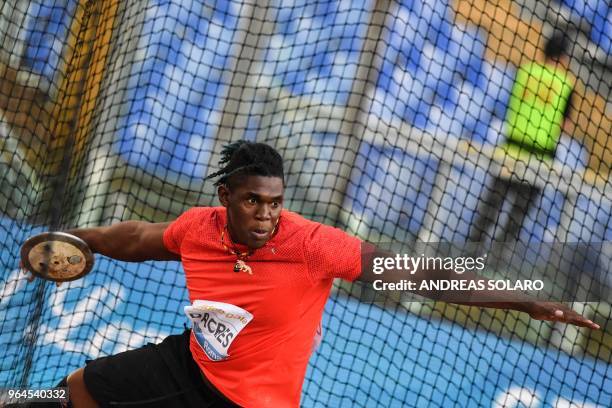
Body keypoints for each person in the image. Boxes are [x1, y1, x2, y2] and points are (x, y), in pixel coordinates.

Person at [21, 141, 598, 408]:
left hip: (249, 403)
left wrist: (524, 298)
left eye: (275, 202)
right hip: (191, 362)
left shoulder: (314, 244)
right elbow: (138, 239)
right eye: (253, 202)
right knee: (78, 390)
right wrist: (74, 241)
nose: (267, 214)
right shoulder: (200, 227)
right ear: (226, 197)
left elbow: (420, 272)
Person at [468, 32, 575, 245]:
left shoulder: (525, 71)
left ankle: (470, 255)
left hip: (510, 151)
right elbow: (566, 125)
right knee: (517, 217)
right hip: (539, 159)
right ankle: (496, 263)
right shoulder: (566, 83)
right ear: (563, 56)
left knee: (490, 209)